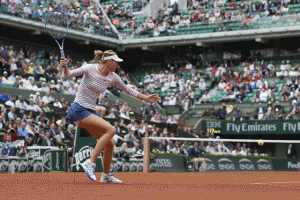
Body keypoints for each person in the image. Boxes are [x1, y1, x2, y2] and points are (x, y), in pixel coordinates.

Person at [60, 50, 160, 183]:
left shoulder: (113, 76)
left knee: (110, 144)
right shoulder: (90, 69)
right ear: (109, 61)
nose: (118, 65)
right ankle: (90, 163)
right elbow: (68, 75)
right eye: (116, 62)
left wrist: (146, 98)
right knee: (111, 130)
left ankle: (106, 175)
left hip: (90, 112)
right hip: (78, 109)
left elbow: (128, 90)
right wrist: (65, 67)